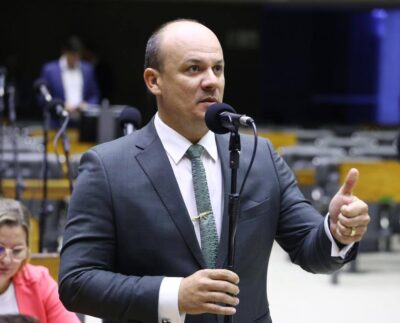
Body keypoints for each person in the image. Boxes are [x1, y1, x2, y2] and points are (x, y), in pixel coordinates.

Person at [59, 19, 370, 323]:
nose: (211, 81)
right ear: (154, 81)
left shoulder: (259, 157)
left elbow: (309, 248)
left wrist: (337, 231)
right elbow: (77, 282)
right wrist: (174, 295)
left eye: (217, 69)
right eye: (194, 69)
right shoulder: (107, 167)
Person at [0, 198, 80, 323]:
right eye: (0, 249)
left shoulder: (39, 282)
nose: (7, 260)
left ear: (27, 250)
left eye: (16, 251)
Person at [39, 35, 100, 124]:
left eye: (78, 55)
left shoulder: (88, 69)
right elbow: (43, 98)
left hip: (82, 121)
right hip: (58, 122)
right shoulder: (50, 70)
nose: (75, 58)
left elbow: (95, 95)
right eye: (72, 55)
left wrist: (86, 106)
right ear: (65, 52)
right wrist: (61, 105)